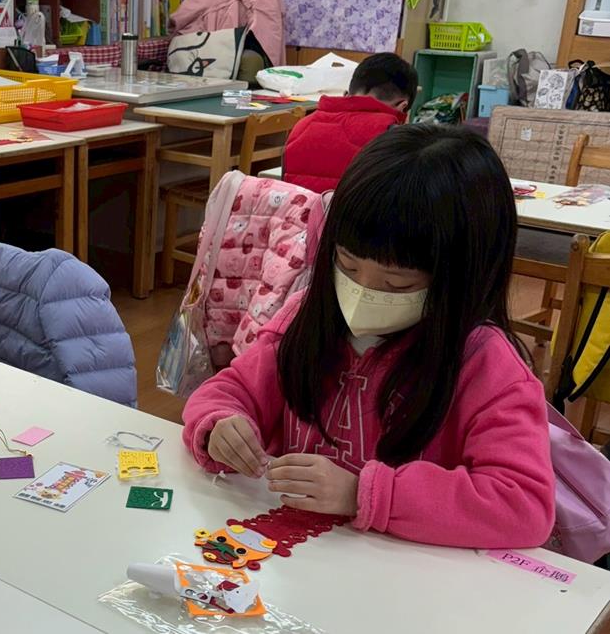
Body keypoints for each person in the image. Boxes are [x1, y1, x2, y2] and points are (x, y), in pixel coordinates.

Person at [182, 125, 555, 550]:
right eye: (347, 265)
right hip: (298, 558)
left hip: (408, 574)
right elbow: (228, 390)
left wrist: (363, 494)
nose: (362, 292)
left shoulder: (485, 364)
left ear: (463, 277)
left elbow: (524, 505)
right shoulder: (306, 317)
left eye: (397, 284)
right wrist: (219, 424)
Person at [283, 52, 418, 193]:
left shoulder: (302, 126)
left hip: (300, 207)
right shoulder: (392, 137)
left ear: (346, 94)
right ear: (403, 107)